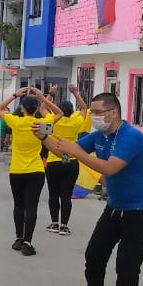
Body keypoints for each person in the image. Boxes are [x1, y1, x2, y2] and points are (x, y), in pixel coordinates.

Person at [44, 92, 143, 286]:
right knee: (94, 254)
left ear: (113, 113)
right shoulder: (100, 136)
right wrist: (44, 136)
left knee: (127, 262)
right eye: (93, 113)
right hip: (116, 205)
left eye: (98, 113)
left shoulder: (131, 137)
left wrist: (76, 152)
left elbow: (110, 168)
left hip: (142, 208)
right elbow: (64, 152)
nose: (94, 117)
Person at [0, 86, 61, 256]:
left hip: (17, 170)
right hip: (36, 170)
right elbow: (59, 114)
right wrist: (44, 98)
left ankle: (18, 238)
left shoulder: (16, 122)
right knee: (31, 207)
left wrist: (14, 95)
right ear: (36, 109)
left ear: (22, 108)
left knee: (19, 205)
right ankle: (27, 242)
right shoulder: (41, 125)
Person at [46, 84, 89, 235]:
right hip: (70, 160)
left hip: (54, 160)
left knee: (53, 194)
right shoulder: (76, 121)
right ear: (72, 111)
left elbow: (43, 108)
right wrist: (75, 93)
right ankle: (64, 226)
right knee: (66, 195)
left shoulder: (53, 120)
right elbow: (84, 109)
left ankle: (54, 223)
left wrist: (51, 93)